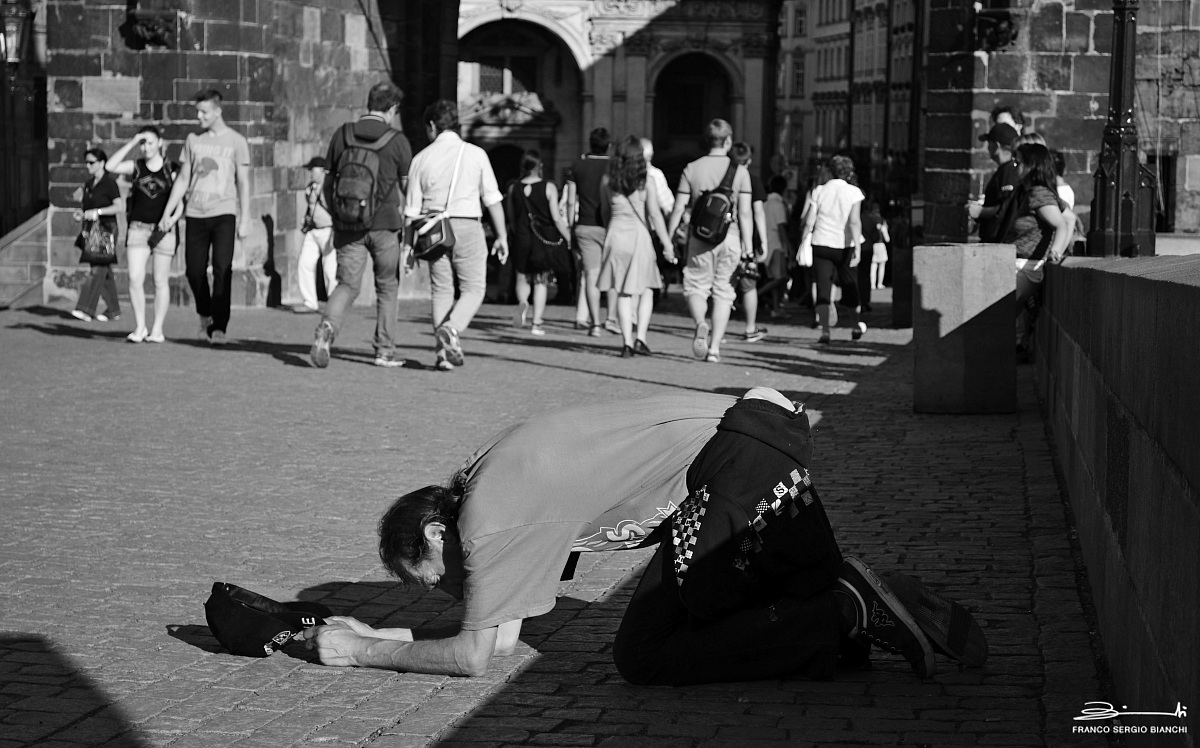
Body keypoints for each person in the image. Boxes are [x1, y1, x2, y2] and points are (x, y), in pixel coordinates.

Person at [300, 387, 986, 685]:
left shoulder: (490, 519)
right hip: (744, 452)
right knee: (715, 616)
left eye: (429, 578)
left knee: (648, 652)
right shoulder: (484, 481)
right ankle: (853, 606)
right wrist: (402, 641)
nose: (441, 592)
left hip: (735, 464)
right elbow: (503, 632)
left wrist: (361, 652)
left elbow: (478, 658)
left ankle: (842, 610)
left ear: (433, 531)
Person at [309, 82, 412, 369]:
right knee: (387, 287)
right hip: (385, 226)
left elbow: (328, 182)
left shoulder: (342, 134)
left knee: (347, 285)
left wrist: (339, 213)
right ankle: (384, 351)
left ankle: (327, 329)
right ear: (391, 109)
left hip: (348, 225)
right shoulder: (398, 140)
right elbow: (408, 188)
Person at [404, 99, 508, 371]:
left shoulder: (421, 158)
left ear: (431, 126)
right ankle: (451, 329)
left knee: (441, 290)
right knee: (474, 288)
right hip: (467, 225)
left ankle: (442, 354)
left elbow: (410, 211)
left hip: (433, 231)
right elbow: (492, 199)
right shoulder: (475, 154)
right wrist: (502, 236)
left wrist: (407, 247)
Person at [160, 89, 251, 347]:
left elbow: (243, 183)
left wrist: (245, 219)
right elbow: (183, 179)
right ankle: (205, 313)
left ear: (217, 111)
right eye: (197, 111)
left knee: (223, 269)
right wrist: (168, 211)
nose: (199, 116)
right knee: (194, 271)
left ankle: (219, 326)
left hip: (224, 213)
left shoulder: (236, 142)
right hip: (195, 214)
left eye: (204, 112)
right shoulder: (193, 141)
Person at [666, 119, 754, 364]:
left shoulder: (692, 168)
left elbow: (679, 206)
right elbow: (745, 212)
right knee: (724, 292)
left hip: (700, 235)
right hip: (731, 236)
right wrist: (748, 244)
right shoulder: (740, 171)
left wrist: (670, 236)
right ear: (728, 140)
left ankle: (700, 323)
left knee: (696, 286)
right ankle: (714, 348)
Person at [597, 135, 674, 357]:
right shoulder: (645, 181)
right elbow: (655, 215)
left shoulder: (607, 181)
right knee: (647, 288)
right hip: (639, 237)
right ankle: (640, 337)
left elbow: (604, 212)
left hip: (615, 235)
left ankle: (626, 343)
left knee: (622, 291)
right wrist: (667, 244)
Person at [105, 128, 181, 342]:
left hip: (163, 230)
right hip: (138, 228)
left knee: (159, 280)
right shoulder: (136, 167)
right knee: (135, 278)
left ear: (159, 143)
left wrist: (172, 220)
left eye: (149, 142)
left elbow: (180, 200)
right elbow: (110, 166)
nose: (146, 147)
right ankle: (140, 327)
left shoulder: (170, 168)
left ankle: (157, 329)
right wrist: (131, 143)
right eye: (143, 143)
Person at [1005, 143, 1072, 362]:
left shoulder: (1038, 193)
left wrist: (1055, 251)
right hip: (1022, 267)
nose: (1014, 166)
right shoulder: (1035, 192)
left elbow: (1062, 224)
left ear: (1031, 165)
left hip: (1025, 269)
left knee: (994, 320)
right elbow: (1069, 217)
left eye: (1018, 162)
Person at [797, 156, 866, 344]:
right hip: (844, 245)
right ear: (849, 172)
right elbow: (854, 221)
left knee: (823, 288)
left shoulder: (819, 191)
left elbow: (810, 220)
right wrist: (858, 247)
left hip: (821, 242)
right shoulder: (854, 192)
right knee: (850, 286)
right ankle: (854, 325)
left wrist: (804, 240)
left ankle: (825, 331)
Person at [504, 150, 569, 337]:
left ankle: (523, 302)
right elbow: (556, 217)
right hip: (541, 238)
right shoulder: (548, 187)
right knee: (541, 280)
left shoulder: (513, 188)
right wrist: (568, 237)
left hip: (522, 237)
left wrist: (517, 233)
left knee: (521, 276)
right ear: (539, 166)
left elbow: (511, 218)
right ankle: (536, 323)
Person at [564, 128, 612, 336]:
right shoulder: (613, 166)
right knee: (612, 274)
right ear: (608, 145)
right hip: (610, 225)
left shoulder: (577, 165)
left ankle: (595, 324)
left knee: (591, 275)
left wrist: (570, 226)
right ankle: (612, 318)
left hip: (585, 225)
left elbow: (570, 200)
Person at [71, 148, 124, 324]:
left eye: (92, 162)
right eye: (86, 162)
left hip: (107, 229)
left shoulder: (110, 184)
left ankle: (85, 308)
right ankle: (114, 310)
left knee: (97, 268)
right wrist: (82, 214)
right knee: (103, 269)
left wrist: (98, 212)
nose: (88, 166)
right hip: (92, 230)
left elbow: (119, 206)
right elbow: (86, 208)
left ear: (101, 163)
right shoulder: (88, 184)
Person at [730, 142, 768, 342]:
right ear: (750, 160)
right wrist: (763, 240)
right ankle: (750, 328)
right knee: (748, 285)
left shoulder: (723, 177)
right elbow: (757, 212)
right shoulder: (752, 180)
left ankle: (711, 326)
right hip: (746, 240)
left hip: (721, 237)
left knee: (722, 285)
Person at [292, 156, 336, 315]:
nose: (310, 172)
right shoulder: (310, 187)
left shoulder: (329, 186)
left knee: (330, 268)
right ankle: (310, 301)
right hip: (313, 230)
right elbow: (311, 207)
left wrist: (335, 232)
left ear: (322, 170)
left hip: (328, 229)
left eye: (313, 169)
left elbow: (335, 210)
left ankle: (334, 304)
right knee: (305, 263)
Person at [967, 122, 1020, 243]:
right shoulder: (1004, 169)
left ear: (996, 145)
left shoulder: (1009, 171)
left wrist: (980, 211)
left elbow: (1006, 207)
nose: (987, 148)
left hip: (998, 240)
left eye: (989, 143)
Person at [640, 137, 676, 294]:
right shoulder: (654, 175)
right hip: (650, 231)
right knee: (648, 278)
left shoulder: (620, 175)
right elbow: (666, 205)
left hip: (624, 230)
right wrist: (668, 242)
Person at [759, 175, 791, 319]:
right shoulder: (778, 204)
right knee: (781, 278)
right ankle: (756, 294)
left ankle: (776, 307)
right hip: (777, 244)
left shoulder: (765, 203)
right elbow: (781, 227)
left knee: (774, 278)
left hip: (765, 242)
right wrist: (788, 246)